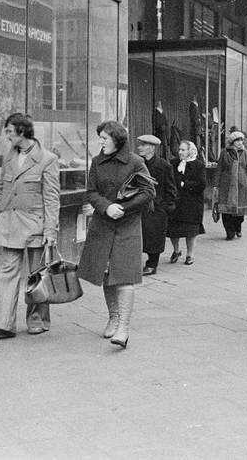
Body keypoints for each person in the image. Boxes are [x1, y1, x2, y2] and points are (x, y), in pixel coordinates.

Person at [79, 121, 155, 348]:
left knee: (124, 276)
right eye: (100, 138)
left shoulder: (136, 162)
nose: (101, 142)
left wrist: (123, 208)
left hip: (127, 226)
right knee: (105, 273)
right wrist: (105, 206)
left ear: (117, 140)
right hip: (102, 225)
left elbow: (149, 191)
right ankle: (113, 316)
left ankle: (123, 326)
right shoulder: (97, 162)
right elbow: (91, 192)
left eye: (104, 138)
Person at [0, 113, 60, 339]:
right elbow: (1, 188)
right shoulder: (9, 156)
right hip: (9, 224)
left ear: (22, 132)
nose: (6, 136)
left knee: (36, 274)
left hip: (35, 224)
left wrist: (51, 230)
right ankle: (4, 323)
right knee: (7, 272)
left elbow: (52, 198)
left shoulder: (47, 159)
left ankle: (37, 319)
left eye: (9, 131)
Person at [135, 135, 176, 276]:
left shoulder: (164, 166)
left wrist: (165, 207)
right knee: (140, 234)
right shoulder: (138, 164)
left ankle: (152, 264)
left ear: (151, 148)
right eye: (139, 145)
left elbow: (171, 189)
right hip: (140, 205)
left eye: (143, 145)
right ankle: (136, 262)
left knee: (155, 236)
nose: (139, 147)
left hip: (157, 208)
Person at [167, 140, 207, 266]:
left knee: (190, 231)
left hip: (192, 203)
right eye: (179, 149)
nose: (180, 152)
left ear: (190, 151)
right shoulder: (173, 164)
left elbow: (202, 184)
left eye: (183, 150)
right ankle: (176, 250)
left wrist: (185, 184)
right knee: (173, 230)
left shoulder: (199, 165)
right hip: (176, 202)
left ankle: (190, 254)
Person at [215, 130, 247, 240]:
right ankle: (230, 232)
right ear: (232, 142)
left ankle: (238, 227)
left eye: (241, 140)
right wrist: (216, 184)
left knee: (239, 213)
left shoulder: (246, 153)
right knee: (226, 210)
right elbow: (219, 169)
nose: (239, 142)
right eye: (237, 140)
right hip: (226, 184)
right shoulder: (224, 152)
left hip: (241, 184)